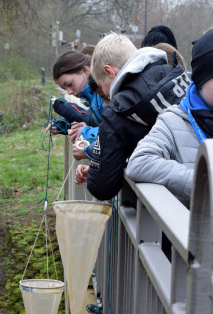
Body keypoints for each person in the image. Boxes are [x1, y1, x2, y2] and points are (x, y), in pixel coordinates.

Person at [74, 32, 190, 200]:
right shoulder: (177, 74)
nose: (104, 93)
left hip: (170, 210)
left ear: (109, 71)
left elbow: (101, 186)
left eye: (100, 85)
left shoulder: (118, 111)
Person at [127, 29, 213, 208]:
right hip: (194, 233)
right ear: (201, 79)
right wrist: (201, 183)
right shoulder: (173, 121)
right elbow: (140, 162)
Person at [50, 50, 105, 144]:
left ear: (85, 70)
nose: (69, 92)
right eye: (65, 89)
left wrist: (84, 133)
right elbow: (93, 121)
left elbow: (112, 134)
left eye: (70, 84)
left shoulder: (103, 93)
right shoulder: (94, 97)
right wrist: (66, 125)